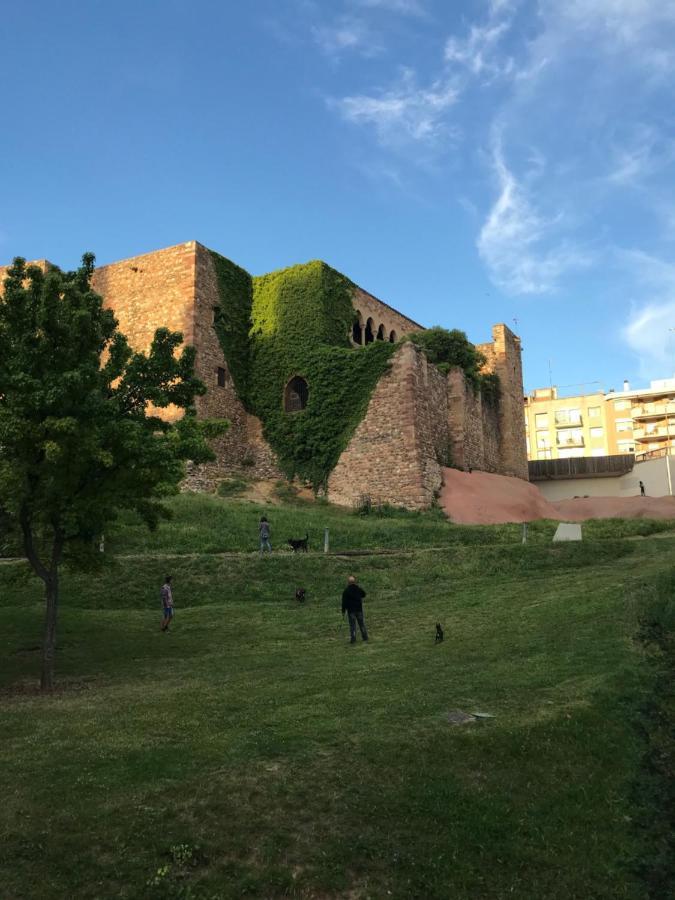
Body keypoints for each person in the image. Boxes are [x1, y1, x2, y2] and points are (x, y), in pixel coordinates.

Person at [341, 575, 369, 644]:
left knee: (352, 625)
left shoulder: (346, 591)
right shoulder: (358, 588)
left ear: (348, 582)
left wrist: (343, 610)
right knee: (361, 624)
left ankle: (353, 639)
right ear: (355, 581)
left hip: (351, 611)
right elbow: (364, 594)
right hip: (359, 609)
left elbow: (344, 602)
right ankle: (365, 637)